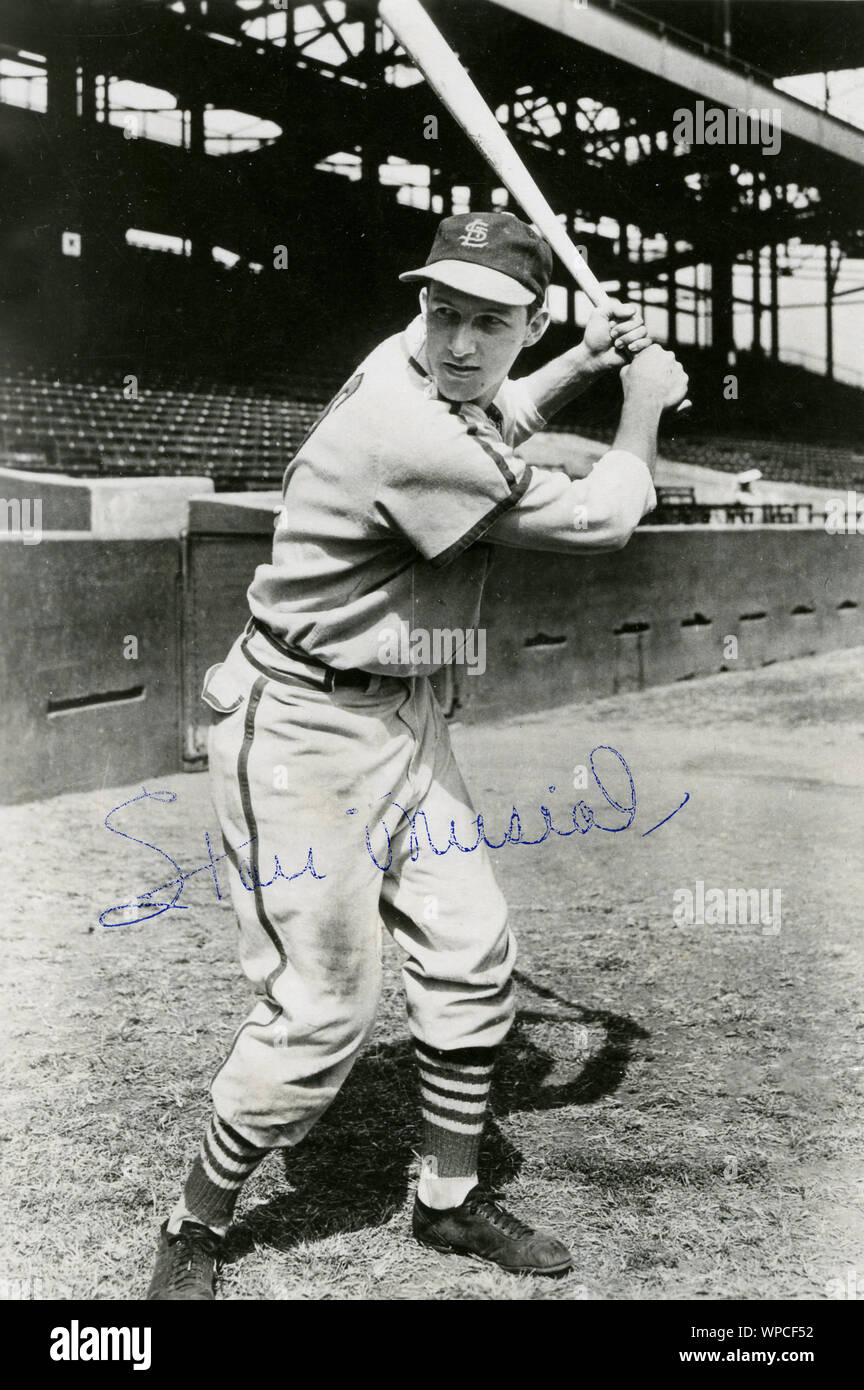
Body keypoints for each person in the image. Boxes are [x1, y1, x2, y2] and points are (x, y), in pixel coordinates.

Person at [146, 210, 688, 1299]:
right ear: (420, 308)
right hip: (299, 728)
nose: (457, 341)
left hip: (403, 714)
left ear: (526, 325)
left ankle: (446, 1200)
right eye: (442, 311)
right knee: (322, 1016)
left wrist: (582, 359)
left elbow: (500, 415)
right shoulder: (406, 421)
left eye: (490, 321)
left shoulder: (426, 378)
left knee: (473, 950)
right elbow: (599, 518)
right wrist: (642, 402)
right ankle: (193, 1228)